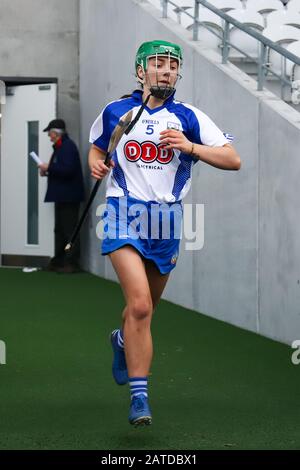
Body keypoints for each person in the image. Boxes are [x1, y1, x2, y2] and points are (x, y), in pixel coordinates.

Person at [88, 40, 241, 426]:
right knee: (139, 305)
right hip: (122, 212)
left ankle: (121, 340)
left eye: (172, 65)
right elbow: (97, 149)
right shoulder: (116, 112)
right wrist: (96, 166)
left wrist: (190, 146)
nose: (166, 71)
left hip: (167, 220)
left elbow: (232, 158)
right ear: (141, 71)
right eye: (158, 64)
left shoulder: (188, 116)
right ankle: (140, 398)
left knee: (147, 309)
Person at [39, 119, 85, 273]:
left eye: (50, 133)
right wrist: (49, 170)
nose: (49, 137)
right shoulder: (62, 147)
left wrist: (49, 167)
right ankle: (59, 261)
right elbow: (64, 169)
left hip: (68, 196)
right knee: (60, 230)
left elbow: (68, 170)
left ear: (57, 133)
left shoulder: (67, 147)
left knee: (69, 230)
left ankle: (71, 263)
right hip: (64, 195)